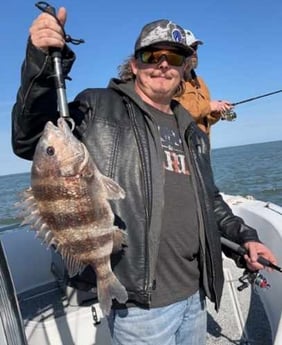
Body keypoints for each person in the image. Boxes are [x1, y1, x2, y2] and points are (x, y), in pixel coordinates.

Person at [11, 7, 277, 345]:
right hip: (141, 306)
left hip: (196, 293)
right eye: (152, 55)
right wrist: (40, 61)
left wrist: (245, 239)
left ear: (185, 67)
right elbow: (30, 136)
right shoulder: (98, 107)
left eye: (174, 57)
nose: (163, 64)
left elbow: (208, 198)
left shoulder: (192, 132)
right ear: (135, 64)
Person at [176, 29, 233, 137]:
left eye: (195, 48)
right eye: (190, 48)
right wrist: (210, 106)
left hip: (202, 149)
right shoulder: (172, 81)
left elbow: (206, 120)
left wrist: (216, 111)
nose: (194, 52)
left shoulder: (201, 83)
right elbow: (178, 114)